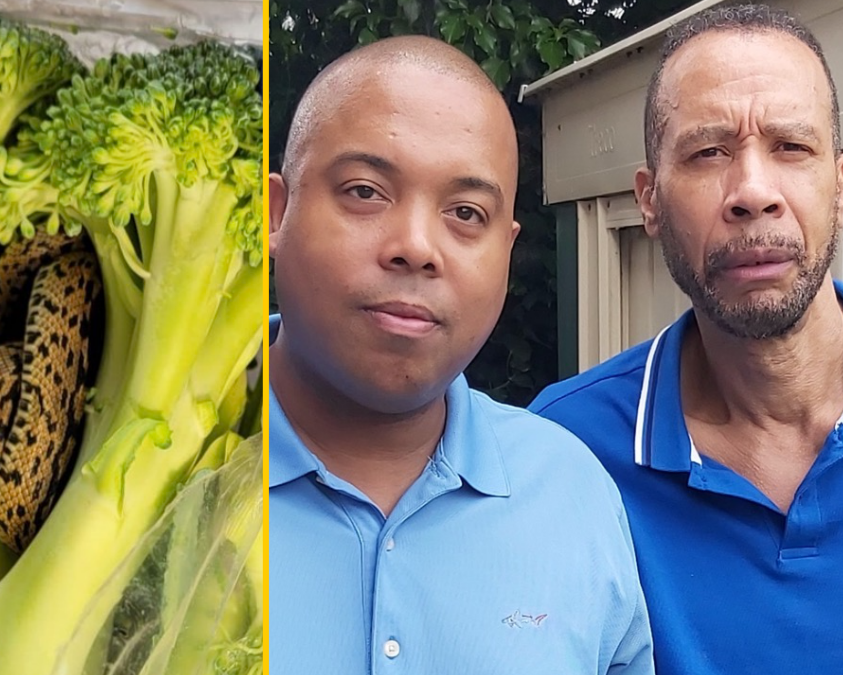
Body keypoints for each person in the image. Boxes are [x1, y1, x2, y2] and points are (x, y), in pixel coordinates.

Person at [268, 35, 652, 674]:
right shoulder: (134, 471)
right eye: (366, 191)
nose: (417, 246)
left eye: (466, 212)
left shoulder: (572, 494)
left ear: (507, 248)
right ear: (276, 212)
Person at [530, 5, 843, 674]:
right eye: (709, 151)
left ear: (840, 183)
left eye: (791, 146)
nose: (751, 191)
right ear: (648, 201)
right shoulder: (562, 454)